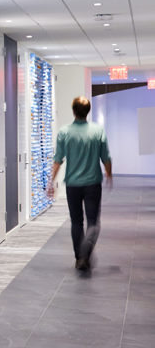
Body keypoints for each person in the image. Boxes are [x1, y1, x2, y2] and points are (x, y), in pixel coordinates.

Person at [47, 96, 113, 270]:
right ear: (88, 111)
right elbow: (105, 157)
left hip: (73, 185)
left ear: (73, 111)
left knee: (76, 222)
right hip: (92, 184)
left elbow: (57, 160)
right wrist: (109, 174)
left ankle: (79, 258)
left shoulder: (64, 132)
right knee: (93, 222)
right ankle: (85, 252)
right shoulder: (97, 131)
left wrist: (51, 182)